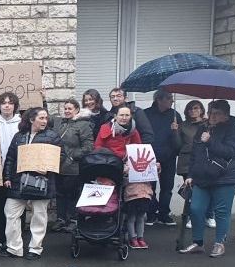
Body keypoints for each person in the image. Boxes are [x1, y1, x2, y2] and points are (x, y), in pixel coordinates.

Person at [181, 100, 235, 258]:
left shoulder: (233, 127)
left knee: (221, 210)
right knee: (196, 208)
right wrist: (191, 174)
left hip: (226, 176)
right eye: (210, 112)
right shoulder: (203, 127)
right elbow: (195, 153)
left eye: (216, 113)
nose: (211, 116)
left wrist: (210, 141)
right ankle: (198, 243)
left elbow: (231, 152)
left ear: (226, 115)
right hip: (203, 174)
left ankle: (219, 243)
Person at [2, 107, 62, 260]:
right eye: (41, 118)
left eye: (45, 118)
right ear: (31, 119)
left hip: (42, 182)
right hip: (18, 181)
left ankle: (35, 249)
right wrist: (7, 177)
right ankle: (14, 248)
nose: (44, 121)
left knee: (39, 216)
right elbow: (10, 158)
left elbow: (60, 157)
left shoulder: (52, 137)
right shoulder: (19, 136)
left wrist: (48, 169)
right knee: (11, 213)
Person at [96, 106, 153, 248]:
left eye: (127, 115)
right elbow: (98, 147)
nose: (124, 117)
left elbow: (138, 149)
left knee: (129, 200)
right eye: (121, 115)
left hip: (128, 168)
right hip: (109, 165)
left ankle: (130, 233)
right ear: (115, 116)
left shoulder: (133, 131)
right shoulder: (105, 128)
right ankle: (108, 226)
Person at [53, 99, 94, 233]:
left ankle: (73, 220)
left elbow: (88, 147)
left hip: (73, 167)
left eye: (70, 108)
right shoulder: (60, 123)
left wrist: (73, 156)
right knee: (59, 194)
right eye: (65, 108)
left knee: (72, 194)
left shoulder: (83, 125)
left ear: (77, 110)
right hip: (58, 165)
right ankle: (61, 219)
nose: (66, 111)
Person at [144, 89, 183, 225]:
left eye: (172, 98)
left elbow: (179, 141)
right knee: (149, 187)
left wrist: (176, 130)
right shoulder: (146, 114)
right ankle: (151, 213)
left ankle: (164, 214)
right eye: (168, 98)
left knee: (167, 187)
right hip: (150, 157)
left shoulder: (175, 115)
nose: (172, 100)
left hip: (169, 157)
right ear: (159, 100)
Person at [0, 92, 21, 252]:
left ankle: (14, 239)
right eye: (3, 103)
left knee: (16, 207)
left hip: (16, 172)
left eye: (10, 103)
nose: (7, 105)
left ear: (15, 106)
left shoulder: (22, 124)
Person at [177, 100, 214, 230]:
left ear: (202, 110)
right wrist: (174, 132)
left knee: (207, 189)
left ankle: (209, 215)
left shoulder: (208, 124)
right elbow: (177, 145)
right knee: (191, 191)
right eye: (190, 109)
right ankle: (192, 217)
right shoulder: (182, 125)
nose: (193, 111)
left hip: (205, 160)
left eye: (196, 108)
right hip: (187, 161)